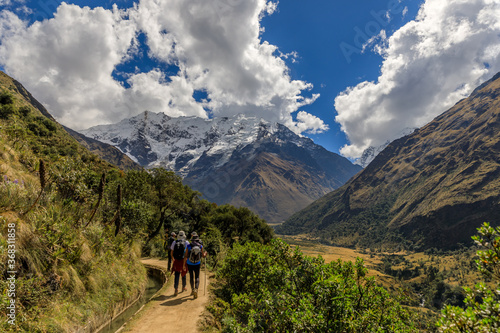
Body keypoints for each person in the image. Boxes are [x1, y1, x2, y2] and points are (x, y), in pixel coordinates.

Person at [186, 232, 206, 299]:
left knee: (191, 276)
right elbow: (203, 256)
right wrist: (205, 253)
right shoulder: (200, 246)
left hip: (189, 263)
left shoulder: (188, 246)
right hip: (197, 263)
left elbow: (186, 256)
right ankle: (196, 289)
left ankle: (192, 290)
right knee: (197, 277)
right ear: (198, 240)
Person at [170, 230, 189, 296]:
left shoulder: (174, 242)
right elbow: (188, 252)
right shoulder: (186, 242)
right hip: (183, 260)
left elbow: (171, 252)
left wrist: (173, 259)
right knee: (183, 273)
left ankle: (176, 289)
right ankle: (183, 287)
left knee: (177, 274)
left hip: (176, 260)